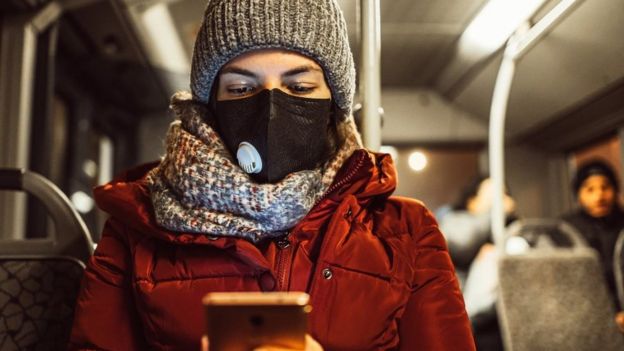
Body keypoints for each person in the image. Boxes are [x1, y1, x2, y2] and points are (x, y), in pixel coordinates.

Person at [69, 0, 475, 350]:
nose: (271, 111)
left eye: (299, 88)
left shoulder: (406, 232)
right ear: (211, 105)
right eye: (242, 90)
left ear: (333, 104)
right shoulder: (137, 228)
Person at [439, 175, 516, 351]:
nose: (500, 201)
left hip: (501, 319)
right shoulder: (454, 221)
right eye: (492, 196)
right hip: (465, 318)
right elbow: (462, 243)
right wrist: (496, 213)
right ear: (472, 201)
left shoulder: (512, 228)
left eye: (503, 195)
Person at [561, 159, 624, 330]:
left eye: (605, 187)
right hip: (586, 319)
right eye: (590, 189)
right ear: (578, 195)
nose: (599, 196)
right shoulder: (567, 230)